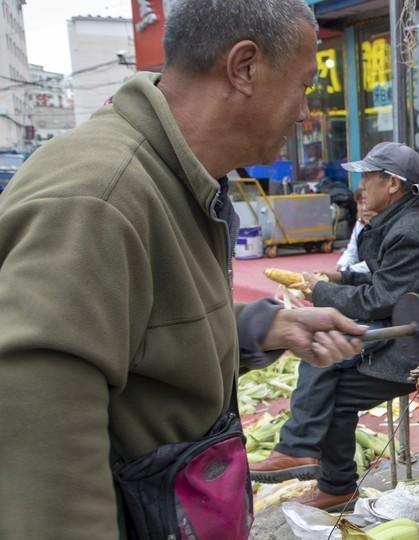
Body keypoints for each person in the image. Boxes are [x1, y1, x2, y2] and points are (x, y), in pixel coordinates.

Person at [0, 1, 365, 538]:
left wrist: (266, 327)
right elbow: (41, 453)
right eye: (303, 86)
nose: (305, 113)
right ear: (244, 67)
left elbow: (145, 325)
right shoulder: (99, 198)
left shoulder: (179, 177)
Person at [249, 142, 419, 510]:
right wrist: (339, 278)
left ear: (392, 184)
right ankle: (311, 462)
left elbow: (380, 298)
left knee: (326, 367)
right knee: (324, 364)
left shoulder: (414, 230)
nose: (361, 186)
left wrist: (321, 291)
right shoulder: (396, 220)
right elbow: (385, 280)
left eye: (368, 177)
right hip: (402, 322)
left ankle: (314, 464)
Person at [336, 185, 375, 274]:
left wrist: (346, 271)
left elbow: (375, 263)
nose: (364, 208)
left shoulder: (385, 227)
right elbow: (352, 252)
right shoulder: (359, 225)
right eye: (361, 203)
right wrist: (340, 265)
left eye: (368, 203)